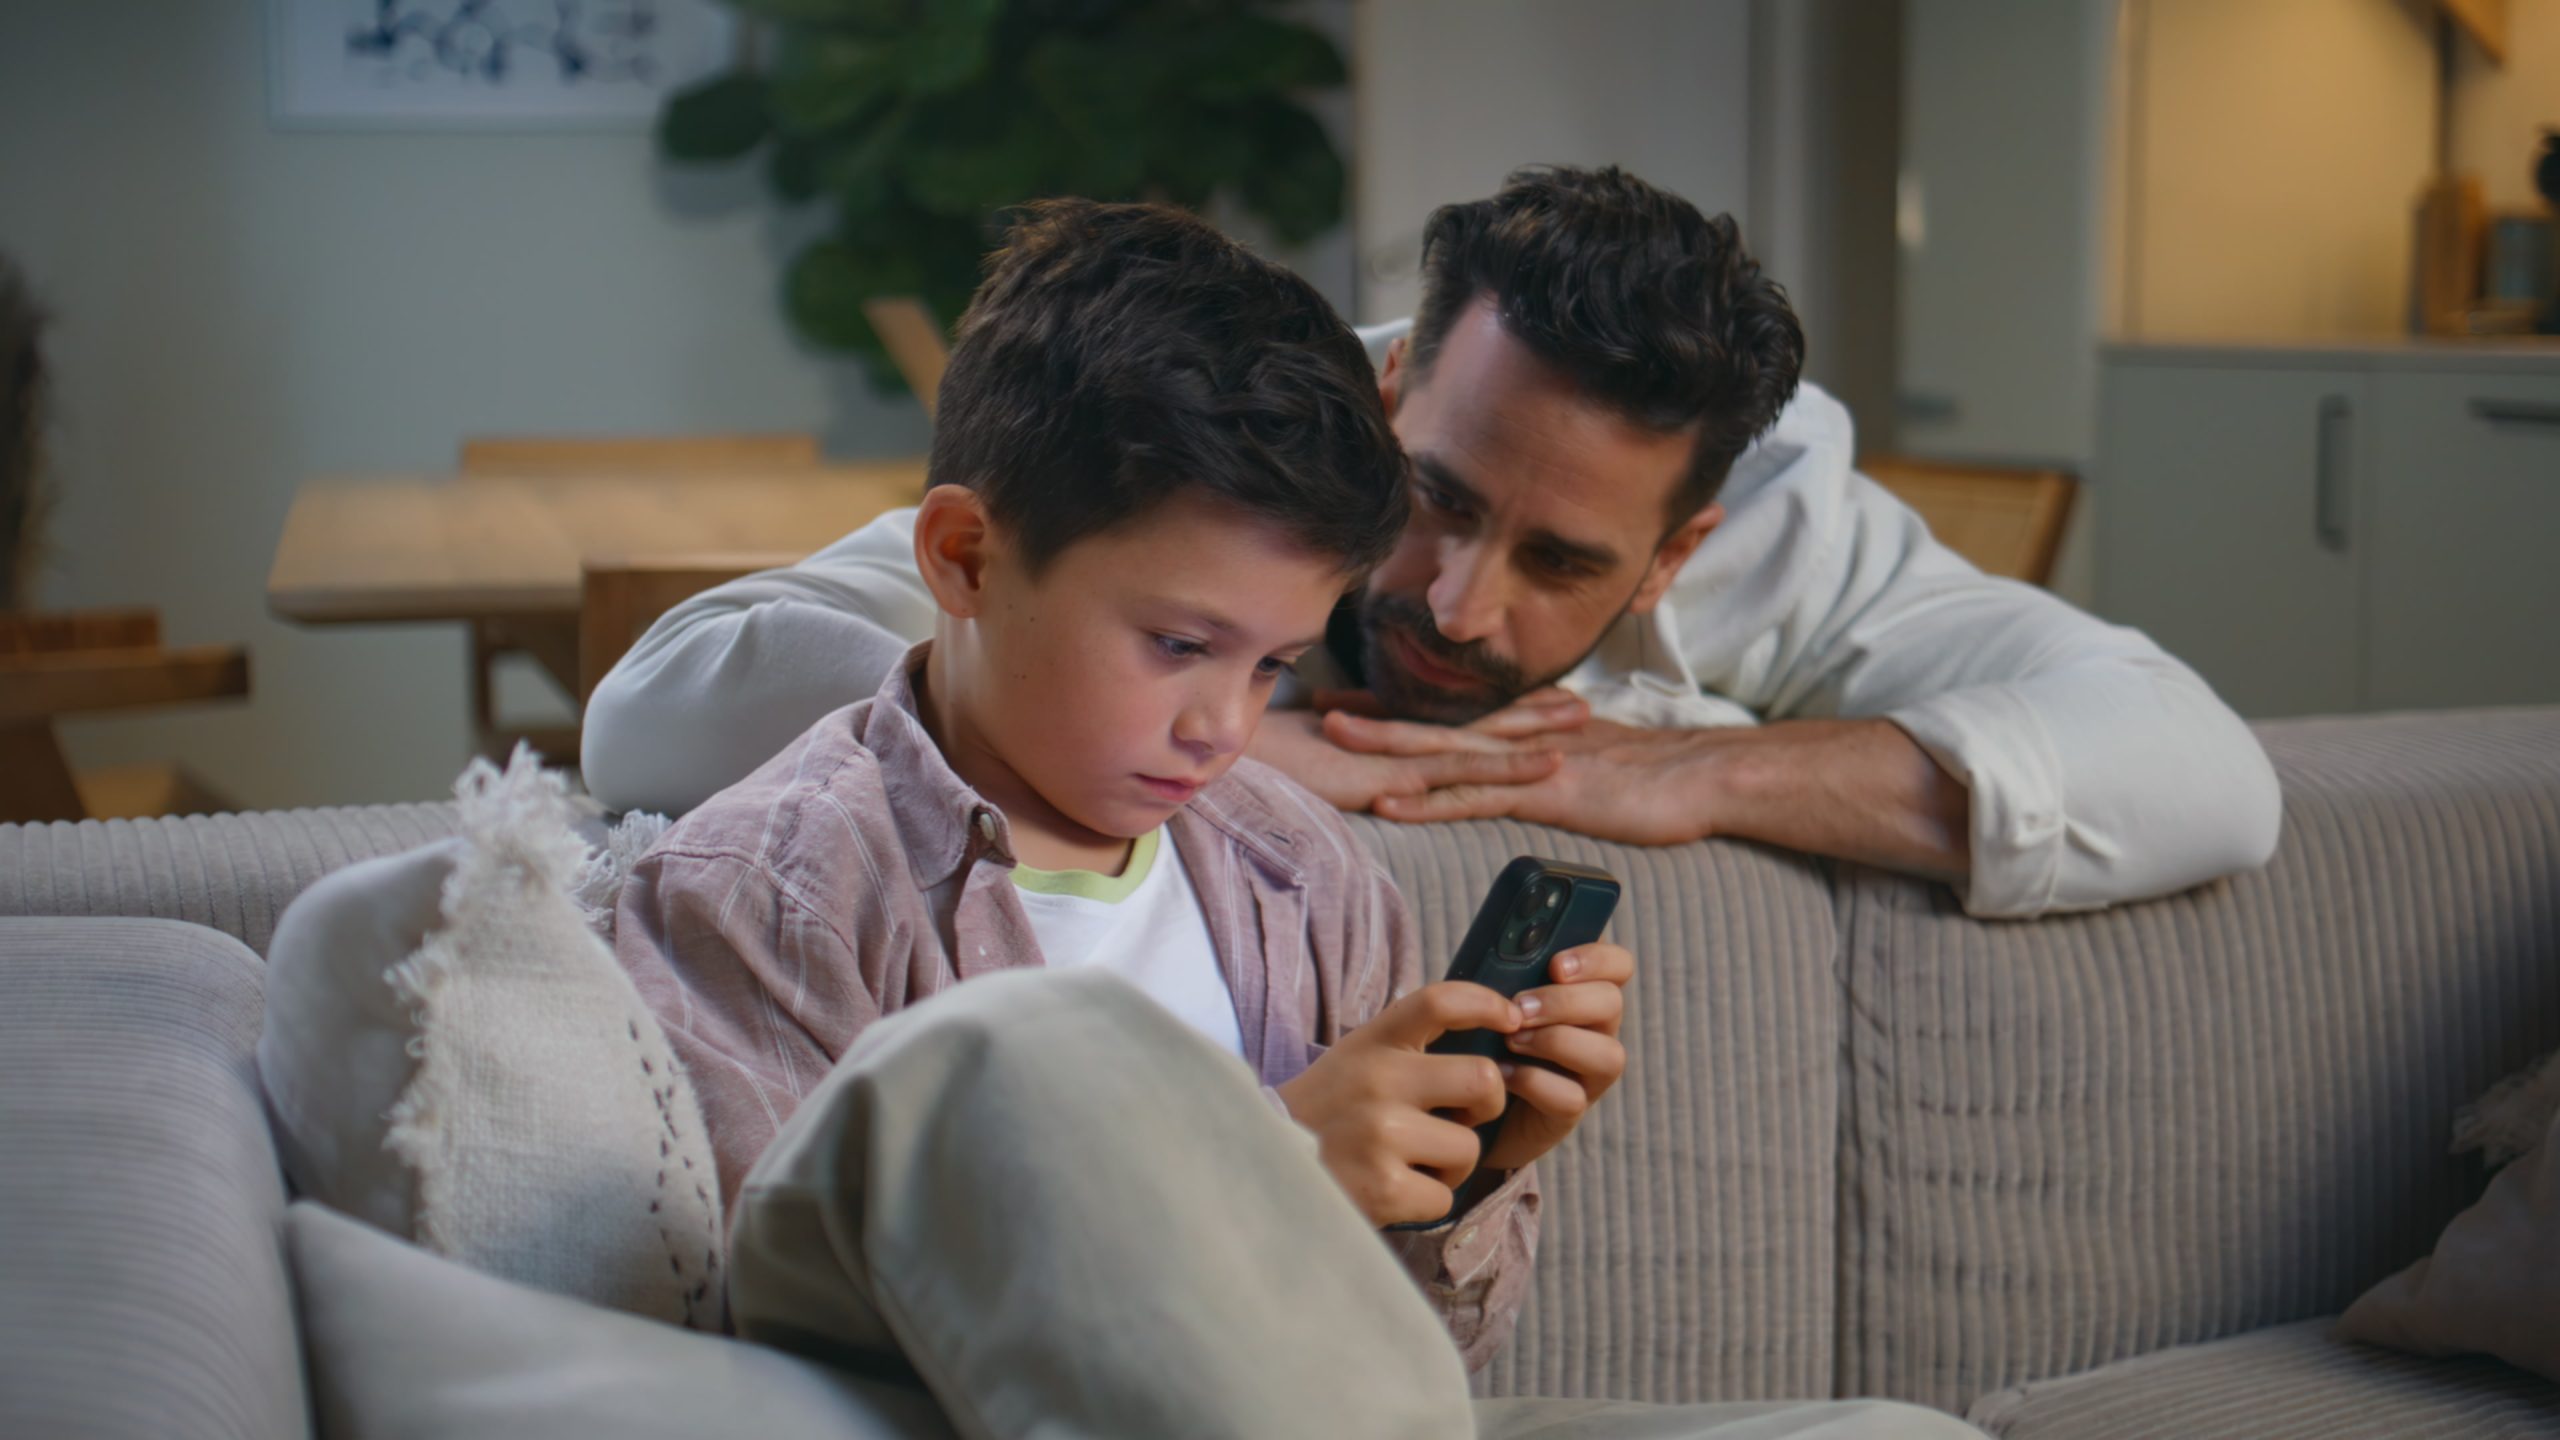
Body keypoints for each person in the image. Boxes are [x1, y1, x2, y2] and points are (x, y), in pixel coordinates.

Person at [613, 199, 1982, 1439]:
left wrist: (1466, 1175)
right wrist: (1271, 1169)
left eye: (1274, 665)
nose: (1227, 726)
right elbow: (763, 1365)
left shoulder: (1296, 869)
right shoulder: (776, 892)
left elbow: (1421, 1368)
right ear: (965, 559)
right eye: (1176, 643)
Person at [583, 166, 2282, 920]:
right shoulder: (1217, 443)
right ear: (1389, 386)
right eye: (1440, 501)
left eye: (1563, 565)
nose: (1458, 604)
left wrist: (1700, 778)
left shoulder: (1783, 523)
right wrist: (1261, 760)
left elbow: (2209, 771)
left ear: (1675, 556)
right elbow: (658, 713)